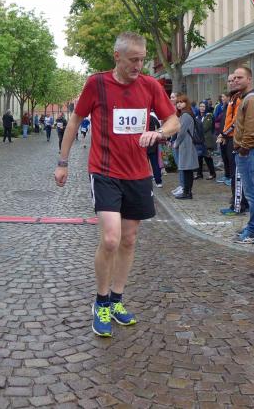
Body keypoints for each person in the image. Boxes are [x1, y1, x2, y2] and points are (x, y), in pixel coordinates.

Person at [54, 32, 179, 338]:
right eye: (133, 60)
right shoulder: (96, 84)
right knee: (111, 238)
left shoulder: (150, 85)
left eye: (142, 59)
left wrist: (160, 133)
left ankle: (117, 299)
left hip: (138, 173)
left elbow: (173, 120)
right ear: (117, 56)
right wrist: (63, 161)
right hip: (105, 171)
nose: (139, 65)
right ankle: (100, 303)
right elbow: (75, 120)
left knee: (129, 240)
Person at [230, 66, 254, 245]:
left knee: (252, 193)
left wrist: (243, 149)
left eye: (240, 77)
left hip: (250, 152)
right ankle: (253, 228)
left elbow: (252, 129)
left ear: (249, 79)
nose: (236, 80)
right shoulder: (246, 98)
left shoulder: (252, 99)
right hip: (249, 151)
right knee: (252, 192)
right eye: (234, 78)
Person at [218, 75, 249, 215]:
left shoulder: (240, 99)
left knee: (237, 174)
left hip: (236, 140)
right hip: (230, 138)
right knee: (234, 173)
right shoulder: (232, 98)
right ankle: (241, 202)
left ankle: (238, 205)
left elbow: (237, 121)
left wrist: (224, 134)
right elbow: (227, 120)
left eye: (235, 80)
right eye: (230, 80)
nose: (232, 82)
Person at [173, 94, 199, 200]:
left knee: (187, 170)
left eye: (181, 102)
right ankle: (187, 191)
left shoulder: (185, 115)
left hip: (186, 145)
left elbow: (182, 132)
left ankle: (187, 192)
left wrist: (176, 143)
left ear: (186, 103)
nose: (179, 104)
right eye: (177, 102)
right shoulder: (185, 114)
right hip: (186, 145)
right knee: (187, 170)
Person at [196, 102, 216, 180]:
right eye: (200, 106)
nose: (202, 108)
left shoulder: (209, 116)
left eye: (203, 106)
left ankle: (212, 173)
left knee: (208, 158)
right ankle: (199, 174)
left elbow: (205, 127)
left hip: (206, 140)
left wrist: (197, 129)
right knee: (199, 158)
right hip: (199, 140)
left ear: (206, 107)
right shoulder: (197, 116)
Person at [147, 112, 163, 188]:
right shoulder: (153, 118)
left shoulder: (143, 118)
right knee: (155, 163)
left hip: (144, 144)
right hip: (153, 144)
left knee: (144, 164)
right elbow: (159, 128)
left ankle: (145, 181)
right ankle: (158, 181)